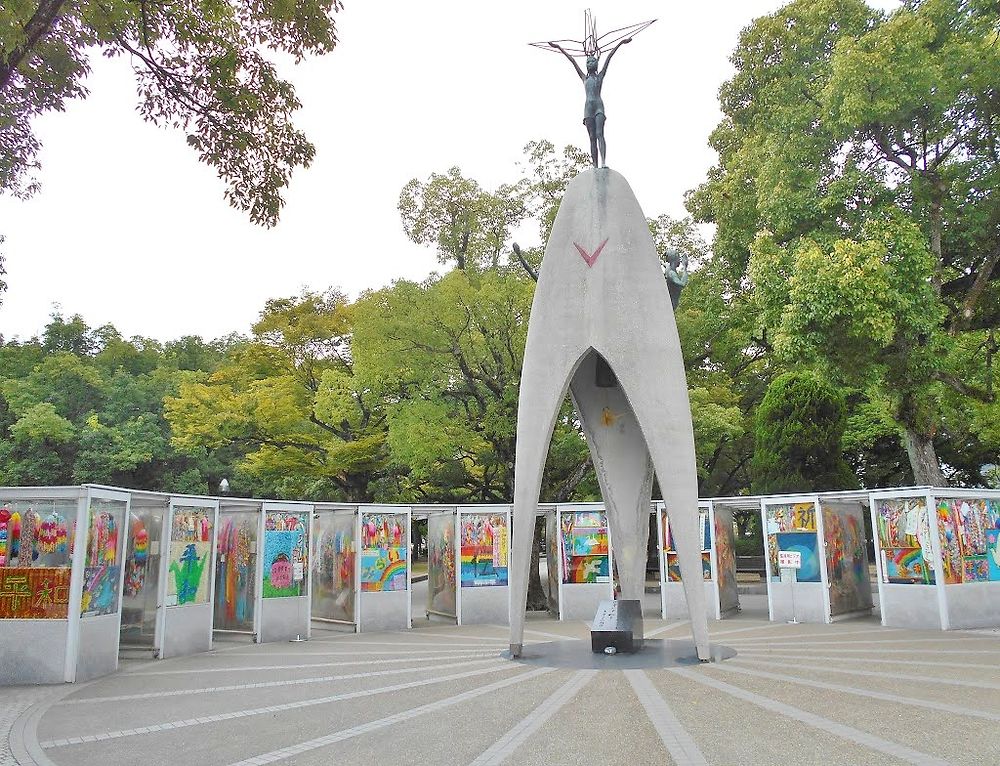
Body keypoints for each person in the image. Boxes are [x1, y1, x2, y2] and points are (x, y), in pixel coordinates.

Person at [548, 37, 632, 167]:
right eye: (588, 61)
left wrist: (621, 43)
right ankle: (594, 165)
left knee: (600, 134)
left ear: (597, 64)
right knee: (592, 137)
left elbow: (610, 56)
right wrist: (559, 48)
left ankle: (603, 162)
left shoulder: (600, 76)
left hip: (598, 106)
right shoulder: (584, 78)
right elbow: (572, 60)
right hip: (588, 108)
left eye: (593, 61)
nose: (590, 63)